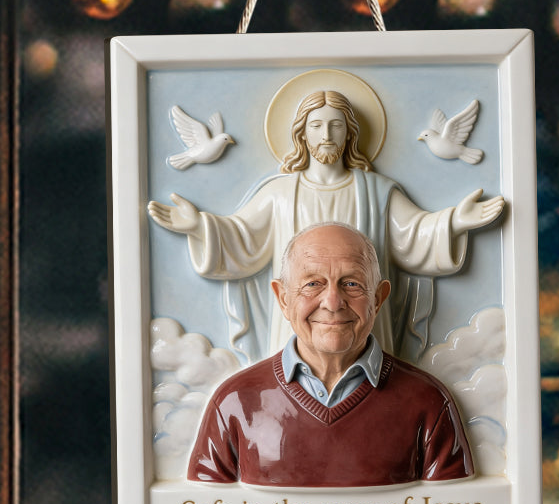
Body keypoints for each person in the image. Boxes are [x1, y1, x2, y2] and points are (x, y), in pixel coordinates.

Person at [148, 89, 504, 363]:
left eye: (336, 125)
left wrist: (455, 222)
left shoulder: (375, 190)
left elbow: (412, 236)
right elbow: (242, 238)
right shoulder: (281, 192)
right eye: (317, 126)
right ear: (302, 134)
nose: (327, 134)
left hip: (361, 320)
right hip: (299, 321)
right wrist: (200, 227)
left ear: (351, 133)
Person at [187, 223, 475, 488]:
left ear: (378, 298)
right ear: (283, 299)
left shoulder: (428, 401)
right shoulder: (234, 402)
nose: (333, 303)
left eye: (351, 283)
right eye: (313, 284)